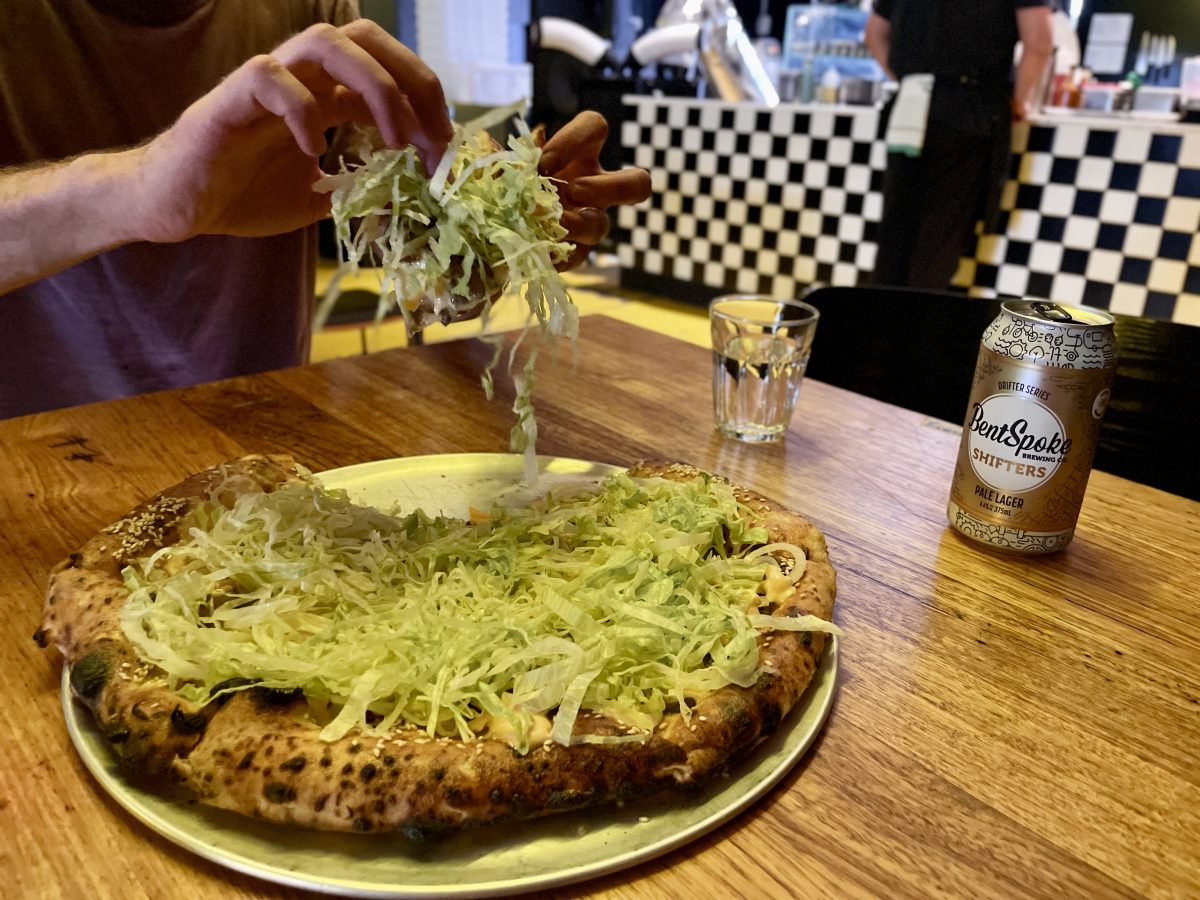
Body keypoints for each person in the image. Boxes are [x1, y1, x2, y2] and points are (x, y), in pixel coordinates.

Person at [0, 3, 649, 418]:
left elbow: (432, 287)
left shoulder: (312, 14)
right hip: (39, 458)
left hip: (271, 443)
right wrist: (140, 186)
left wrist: (506, 227)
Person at [864, 0, 1054, 290]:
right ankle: (916, 332)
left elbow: (874, 35)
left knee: (896, 233)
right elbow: (1039, 43)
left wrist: (913, 82)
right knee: (938, 240)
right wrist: (1020, 99)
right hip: (970, 109)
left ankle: (877, 330)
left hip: (910, 103)